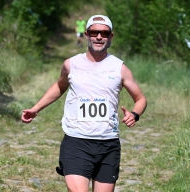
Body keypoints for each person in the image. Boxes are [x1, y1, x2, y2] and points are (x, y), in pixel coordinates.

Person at [21, 14, 147, 192]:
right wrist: (36, 109)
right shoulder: (71, 64)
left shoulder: (120, 68)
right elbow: (59, 86)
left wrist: (135, 114)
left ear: (111, 37)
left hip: (108, 144)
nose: (99, 37)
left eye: (104, 33)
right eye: (94, 32)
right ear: (86, 34)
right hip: (76, 141)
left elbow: (141, 99)